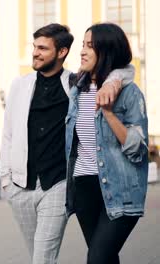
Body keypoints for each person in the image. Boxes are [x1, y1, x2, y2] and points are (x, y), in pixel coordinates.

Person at [0, 23, 133, 264]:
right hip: (20, 187)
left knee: (42, 259)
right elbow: (8, 134)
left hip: (58, 185)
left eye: (42, 48)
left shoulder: (75, 83)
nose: (35, 53)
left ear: (61, 52)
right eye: (34, 47)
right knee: (38, 256)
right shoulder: (20, 85)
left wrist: (114, 82)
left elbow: (122, 70)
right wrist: (6, 180)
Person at [65, 23, 148, 264]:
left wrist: (109, 113)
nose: (82, 51)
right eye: (83, 45)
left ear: (107, 52)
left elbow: (138, 150)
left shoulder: (129, 93)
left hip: (120, 188)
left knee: (97, 258)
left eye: (90, 46)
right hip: (83, 187)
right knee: (105, 258)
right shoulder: (76, 90)